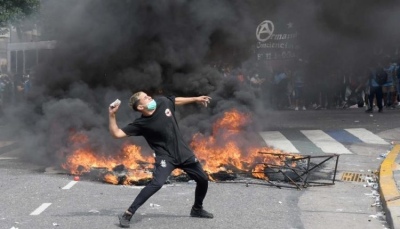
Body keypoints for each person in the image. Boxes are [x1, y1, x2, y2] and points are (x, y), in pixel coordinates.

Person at [109, 91, 214, 228]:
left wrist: (196, 99)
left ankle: (197, 209)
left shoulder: (162, 102)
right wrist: (112, 115)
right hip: (165, 157)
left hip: (183, 152)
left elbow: (175, 100)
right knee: (157, 184)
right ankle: (128, 214)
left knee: (203, 179)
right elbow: (116, 133)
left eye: (148, 96)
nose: (150, 98)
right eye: (146, 98)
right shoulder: (141, 124)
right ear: (140, 107)